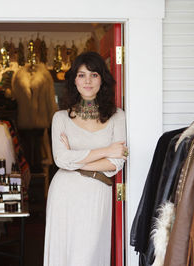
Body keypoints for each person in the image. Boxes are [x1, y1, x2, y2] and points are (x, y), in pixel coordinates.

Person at [44, 51, 127, 266]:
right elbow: (61, 160)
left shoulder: (118, 116)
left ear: (103, 79)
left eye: (94, 74)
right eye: (81, 75)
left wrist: (76, 158)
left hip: (97, 191)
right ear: (74, 80)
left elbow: (117, 162)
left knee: (89, 256)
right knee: (63, 255)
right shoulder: (60, 118)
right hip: (64, 193)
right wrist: (107, 149)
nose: (87, 81)